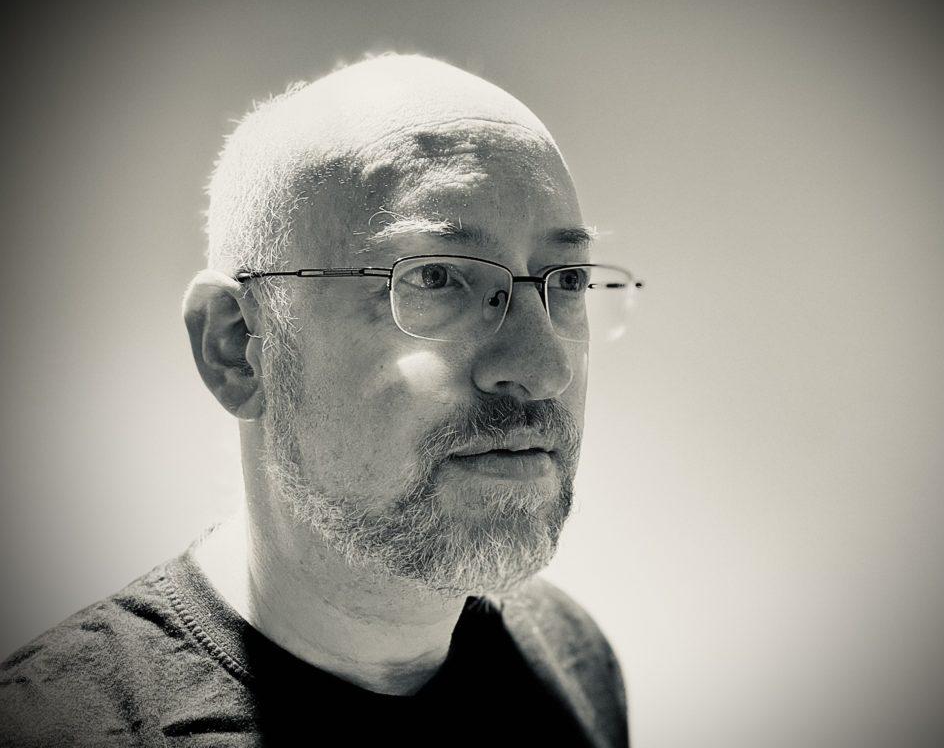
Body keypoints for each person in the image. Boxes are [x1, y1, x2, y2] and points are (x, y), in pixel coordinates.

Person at [0, 54, 638, 747]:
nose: (545, 368)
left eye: (567, 279)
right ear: (237, 344)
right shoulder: (50, 727)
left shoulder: (572, 665)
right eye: (433, 276)